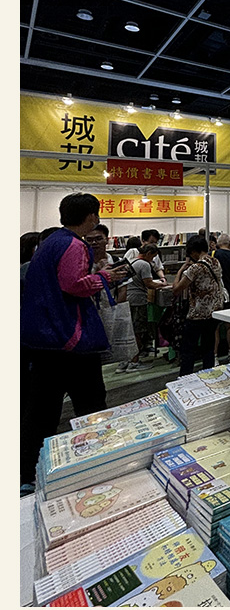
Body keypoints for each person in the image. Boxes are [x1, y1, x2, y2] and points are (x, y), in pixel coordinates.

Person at [20, 193, 129, 492]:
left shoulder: (49, 243)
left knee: (40, 410)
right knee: (91, 404)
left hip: (45, 339)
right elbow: (73, 285)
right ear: (92, 216)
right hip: (70, 338)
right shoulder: (73, 244)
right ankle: (98, 461)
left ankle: (27, 473)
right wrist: (104, 278)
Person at [172, 235, 224, 376]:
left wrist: (180, 270)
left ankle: (185, 378)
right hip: (213, 312)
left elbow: (176, 289)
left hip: (197, 314)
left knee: (188, 349)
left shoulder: (195, 268)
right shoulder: (216, 262)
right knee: (208, 348)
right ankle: (208, 375)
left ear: (194, 251)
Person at [117, 243, 167, 372]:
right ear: (148, 253)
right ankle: (134, 362)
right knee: (137, 332)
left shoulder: (132, 261)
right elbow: (149, 283)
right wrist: (162, 284)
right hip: (138, 301)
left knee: (129, 332)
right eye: (153, 257)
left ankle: (125, 361)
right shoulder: (144, 264)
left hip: (128, 299)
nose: (153, 260)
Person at [212, 233, 230, 364]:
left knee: (215, 327)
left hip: (215, 294)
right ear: (229, 243)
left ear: (218, 244)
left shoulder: (213, 255)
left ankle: (214, 356)